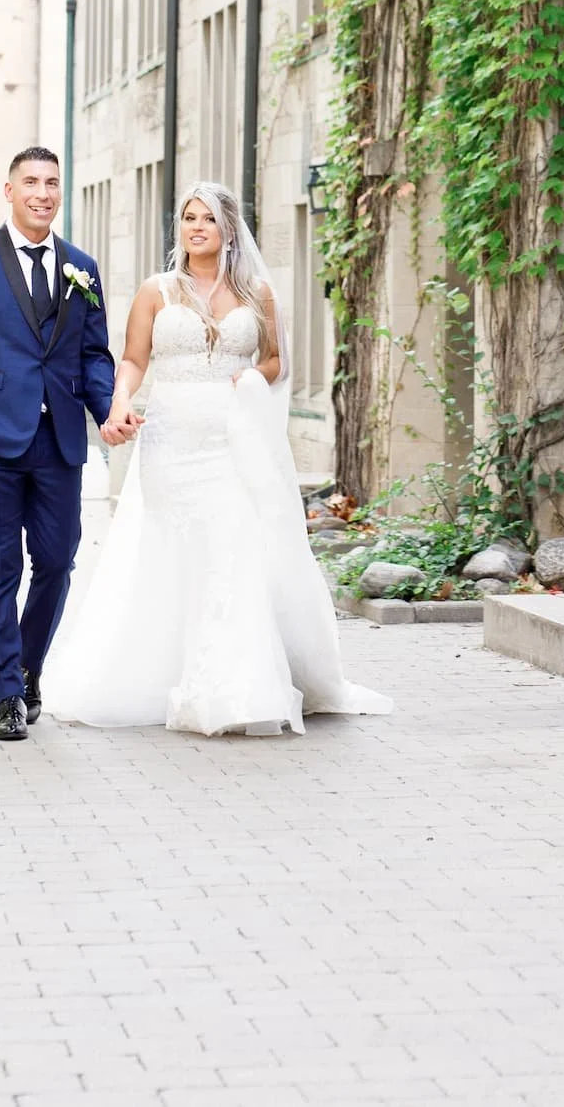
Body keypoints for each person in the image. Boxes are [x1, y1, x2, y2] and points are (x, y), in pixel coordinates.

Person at [47, 180, 390, 736]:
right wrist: (118, 402)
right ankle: (163, 672)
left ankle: (237, 685)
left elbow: (276, 360)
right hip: (170, 441)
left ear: (228, 229)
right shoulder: (155, 291)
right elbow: (133, 360)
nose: (196, 227)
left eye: (207, 218)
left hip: (234, 441)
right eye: (188, 217)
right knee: (173, 552)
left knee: (232, 546)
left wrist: (254, 374)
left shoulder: (258, 292)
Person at [0, 144, 115, 742]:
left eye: (52, 183)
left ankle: (29, 666)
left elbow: (94, 356)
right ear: (9, 191)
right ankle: (8, 693)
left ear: (61, 193)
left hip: (58, 441)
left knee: (57, 564)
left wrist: (108, 413)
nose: (42, 193)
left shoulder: (82, 267)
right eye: (30, 182)